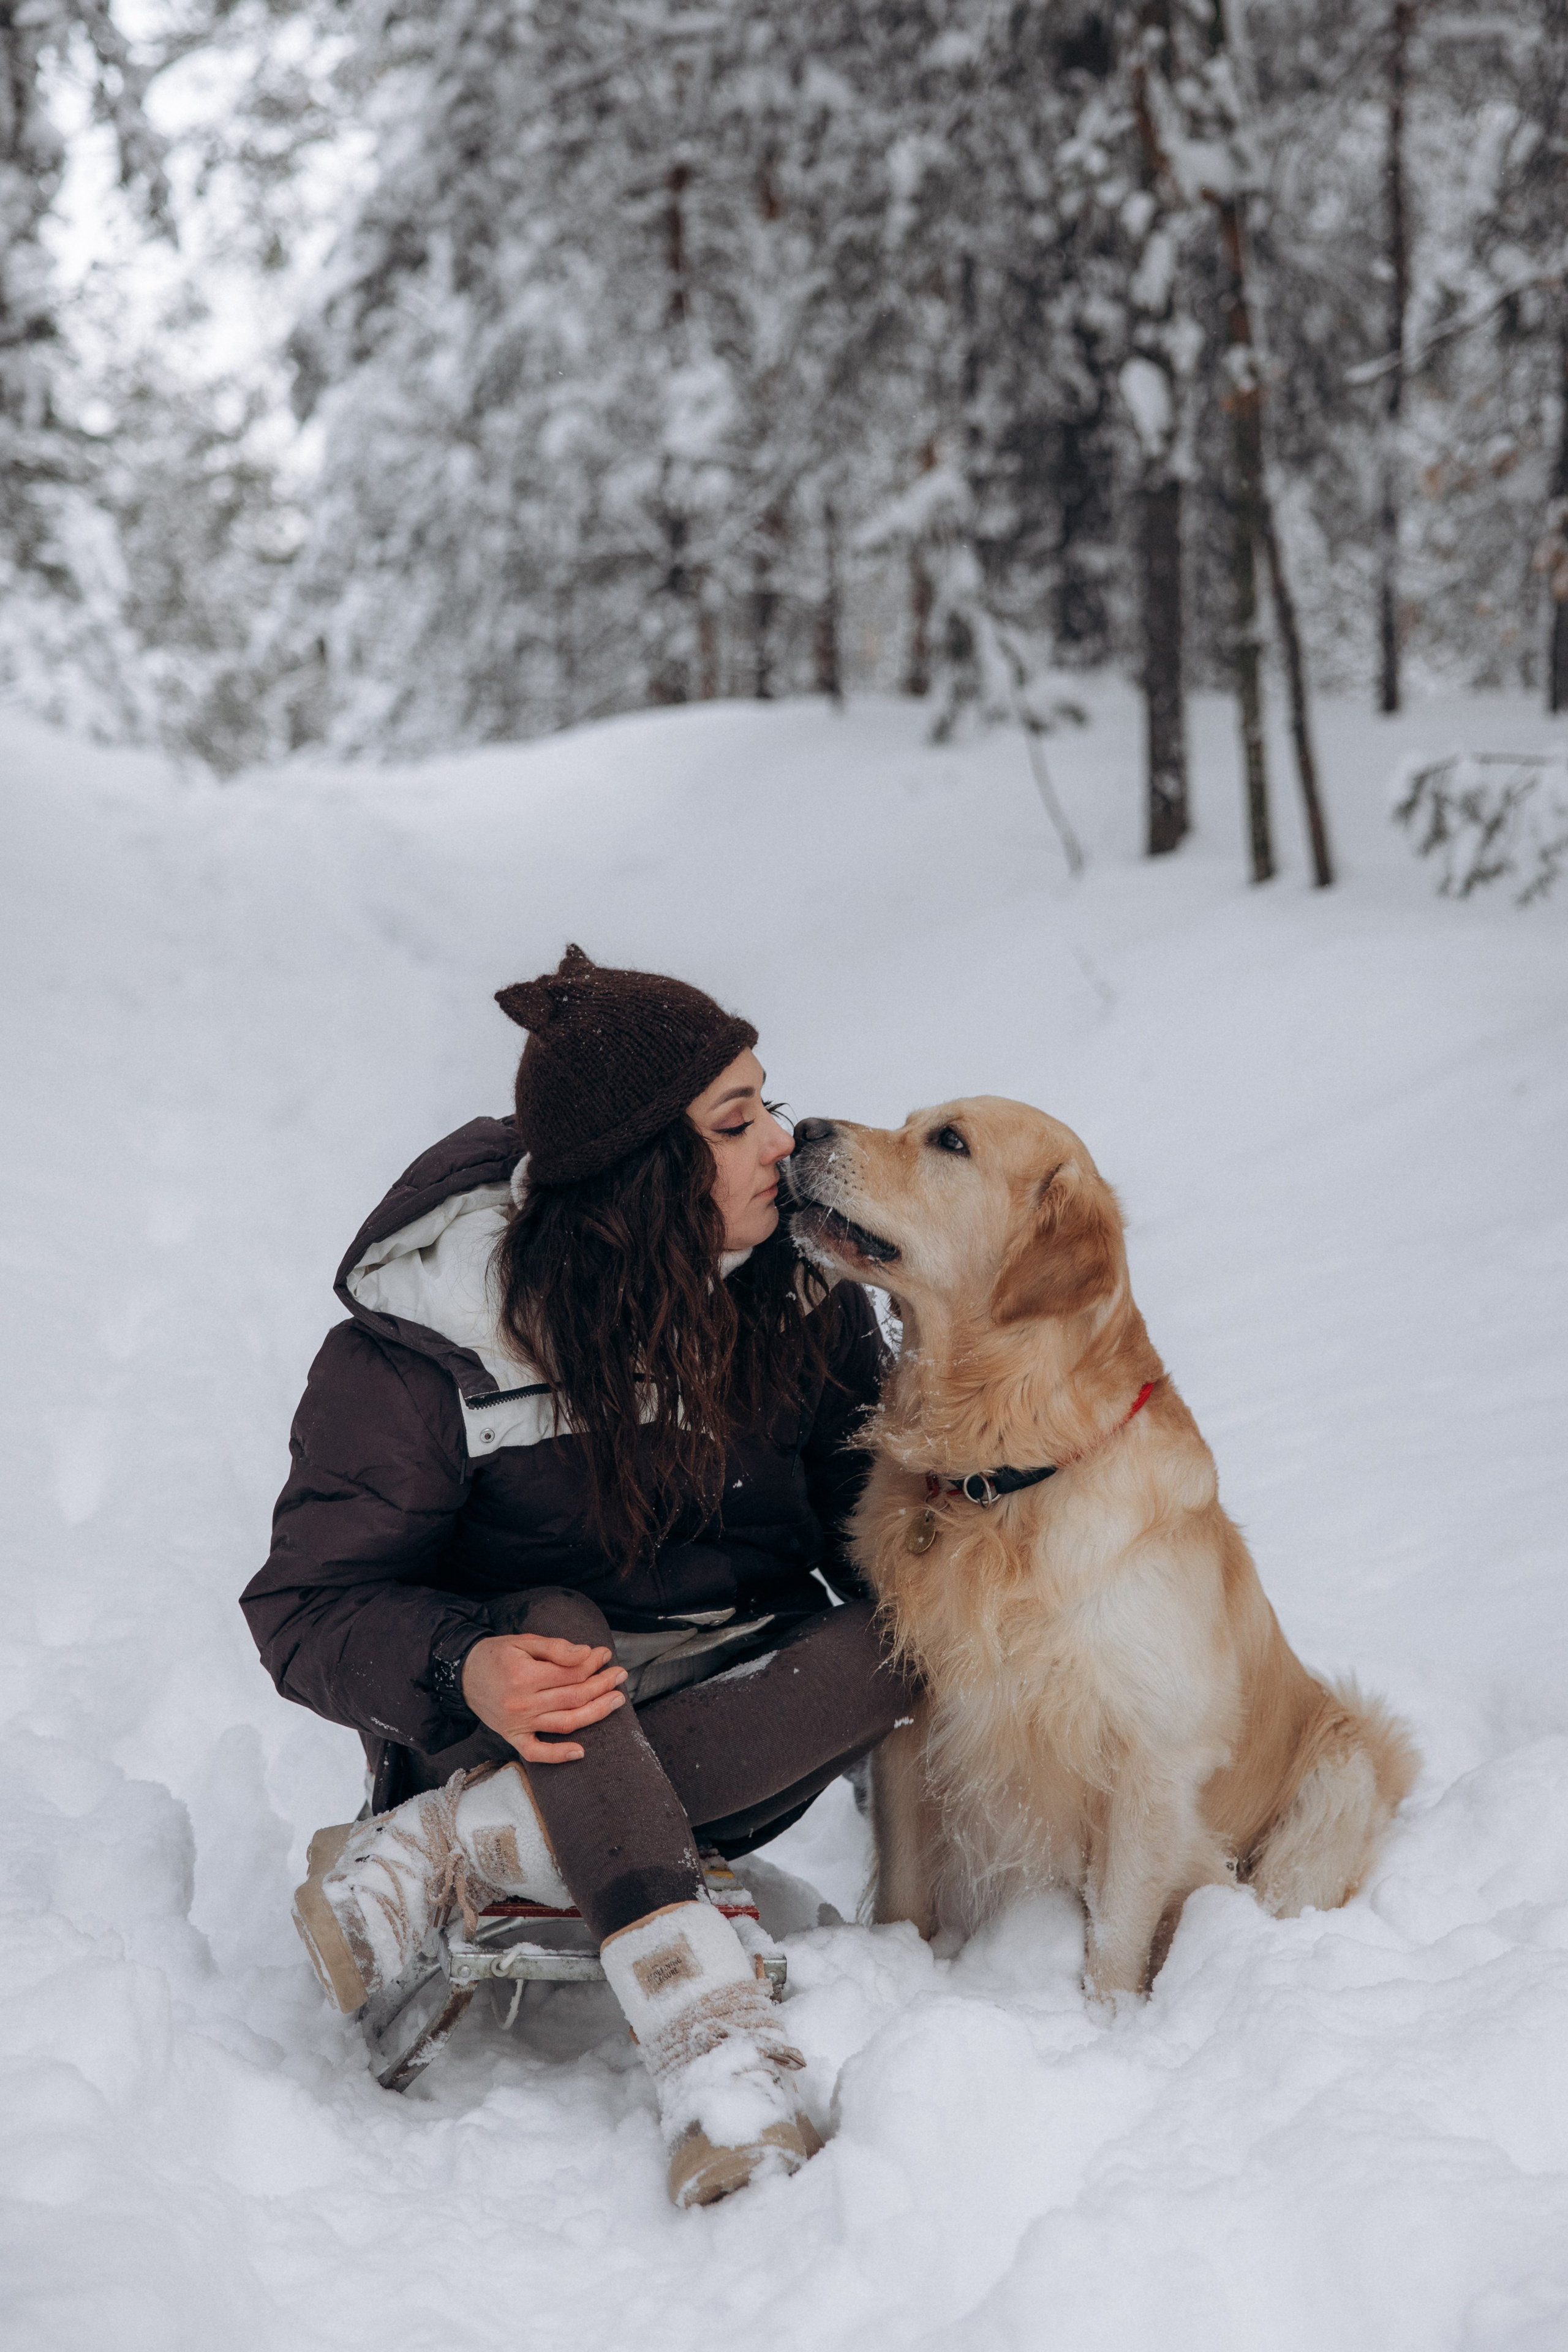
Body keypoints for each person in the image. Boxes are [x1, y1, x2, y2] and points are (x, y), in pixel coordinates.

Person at [241, 944, 908, 2207]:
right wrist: (461, 1665)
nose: (781, 1138)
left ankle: (467, 1854)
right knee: (550, 1623)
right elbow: (304, 1608)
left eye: (766, 1100)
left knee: (918, 1634)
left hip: (739, 1712)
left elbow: (863, 1525)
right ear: (644, 1169)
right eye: (735, 1119)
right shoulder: (429, 1342)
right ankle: (714, 2053)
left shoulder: (798, 1289)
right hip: (521, 1719)